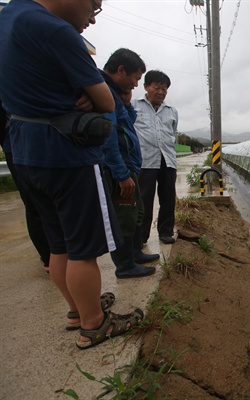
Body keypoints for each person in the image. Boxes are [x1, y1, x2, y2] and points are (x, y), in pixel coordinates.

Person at [0, 0, 143, 349]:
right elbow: (107, 102)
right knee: (83, 248)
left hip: (26, 153)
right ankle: (95, 324)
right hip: (66, 154)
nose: (92, 18)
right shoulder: (56, 31)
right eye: (93, 5)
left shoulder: (8, 18)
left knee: (59, 243)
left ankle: (77, 310)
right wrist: (86, 95)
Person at [100, 48, 159, 278]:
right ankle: (124, 265)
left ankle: (135, 253)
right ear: (121, 70)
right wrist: (120, 173)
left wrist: (126, 105)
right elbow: (108, 137)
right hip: (121, 167)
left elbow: (127, 124)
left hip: (130, 166)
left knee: (136, 212)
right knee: (124, 216)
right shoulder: (103, 92)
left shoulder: (116, 96)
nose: (135, 85)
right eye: (135, 78)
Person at [1, 103, 51, 272]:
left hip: (44, 141)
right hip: (16, 146)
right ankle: (48, 257)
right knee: (33, 203)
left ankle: (61, 252)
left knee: (53, 201)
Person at [132, 70, 179, 245]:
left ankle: (166, 232)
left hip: (167, 160)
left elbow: (173, 135)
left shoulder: (171, 111)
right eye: (157, 87)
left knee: (168, 198)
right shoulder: (134, 105)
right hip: (145, 161)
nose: (161, 91)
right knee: (144, 199)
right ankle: (141, 236)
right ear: (146, 86)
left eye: (165, 88)